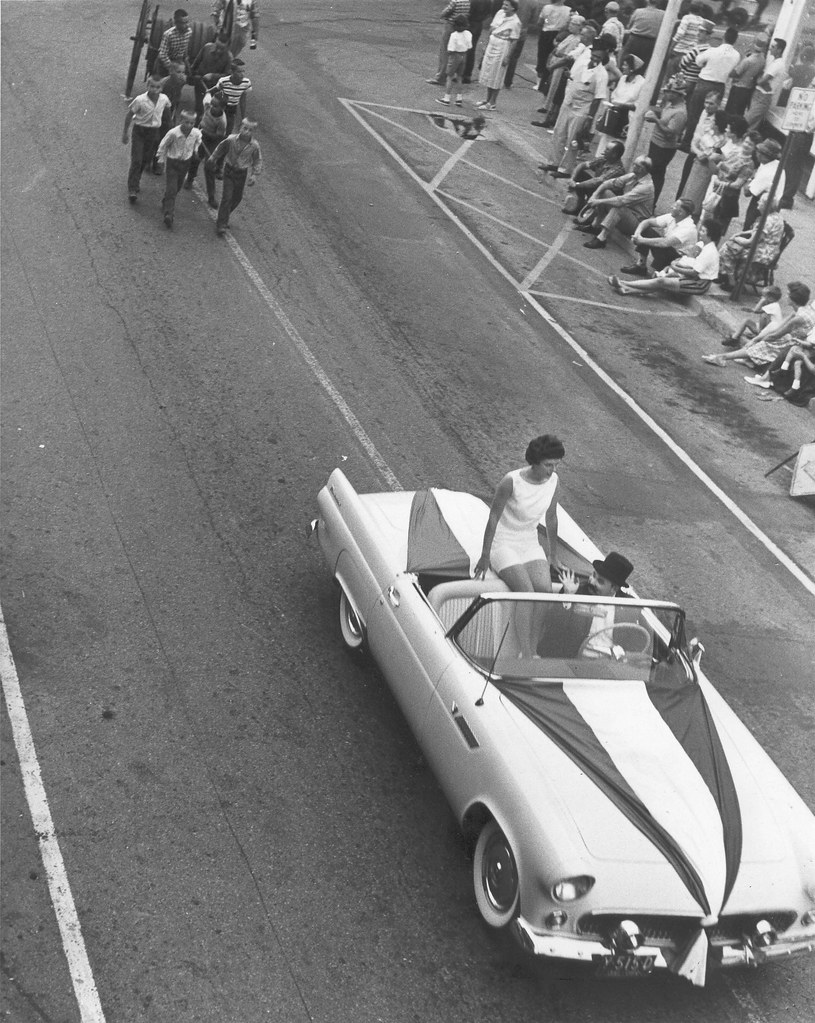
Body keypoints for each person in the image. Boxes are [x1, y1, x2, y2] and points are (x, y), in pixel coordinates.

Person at [474, 434, 564, 657]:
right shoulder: (511, 481)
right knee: (525, 591)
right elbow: (493, 517)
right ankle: (525, 651)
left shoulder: (553, 481)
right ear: (535, 462)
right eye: (548, 465)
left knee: (544, 591)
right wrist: (485, 555)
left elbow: (551, 517)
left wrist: (553, 555)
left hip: (529, 540)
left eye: (556, 465)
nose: (552, 470)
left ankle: (532, 648)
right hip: (503, 542)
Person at [542, 39, 610, 174]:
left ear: (603, 58)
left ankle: (566, 169)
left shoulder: (602, 74)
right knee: (559, 133)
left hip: (582, 108)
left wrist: (589, 118)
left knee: (572, 140)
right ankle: (553, 162)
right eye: (594, 55)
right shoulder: (582, 64)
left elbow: (597, 98)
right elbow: (572, 78)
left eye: (598, 57)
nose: (595, 59)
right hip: (569, 102)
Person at [608, 217, 723, 296]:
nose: (700, 232)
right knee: (662, 282)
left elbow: (694, 273)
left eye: (703, 231)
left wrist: (674, 266)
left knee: (661, 282)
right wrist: (675, 266)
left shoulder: (710, 251)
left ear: (710, 235)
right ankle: (627, 290)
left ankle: (623, 283)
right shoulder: (703, 244)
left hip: (699, 284)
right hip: (693, 277)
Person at [552, 552, 635, 658]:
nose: (592, 581)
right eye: (593, 575)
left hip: (611, 662)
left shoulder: (628, 605)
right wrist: (568, 596)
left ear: (614, 588)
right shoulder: (577, 592)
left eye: (600, 581)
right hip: (576, 659)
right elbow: (555, 628)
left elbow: (633, 641)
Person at [742, 282, 815, 382]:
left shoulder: (800, 316)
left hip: (807, 345)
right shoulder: (803, 311)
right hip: (806, 342)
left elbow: (776, 335)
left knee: (782, 347)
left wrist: (757, 340)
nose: (786, 296)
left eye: (788, 294)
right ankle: (755, 365)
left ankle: (765, 379)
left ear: (793, 298)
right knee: (781, 343)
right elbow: (779, 327)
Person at [579, 154, 655, 250]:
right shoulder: (633, 176)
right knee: (605, 192)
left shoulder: (646, 187)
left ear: (642, 169)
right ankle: (595, 226)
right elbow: (608, 183)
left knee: (619, 207)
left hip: (637, 222)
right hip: (628, 211)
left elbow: (621, 201)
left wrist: (598, 201)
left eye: (636, 165)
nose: (633, 166)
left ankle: (601, 238)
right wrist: (595, 195)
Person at [683, 26, 741, 145]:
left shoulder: (712, 51)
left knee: (694, 113)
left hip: (704, 83)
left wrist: (705, 65)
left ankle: (687, 142)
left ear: (724, 37)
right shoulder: (736, 55)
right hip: (720, 86)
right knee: (711, 116)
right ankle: (703, 142)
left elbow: (698, 61)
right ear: (735, 40)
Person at [713, 196, 785, 291]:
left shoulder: (767, 221)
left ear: (766, 205)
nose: (758, 202)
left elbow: (751, 242)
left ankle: (731, 281)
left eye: (760, 202)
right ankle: (724, 273)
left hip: (764, 252)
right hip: (768, 248)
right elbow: (756, 231)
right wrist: (740, 234)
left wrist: (736, 239)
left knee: (730, 249)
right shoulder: (775, 216)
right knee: (731, 245)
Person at [532, 18, 592, 128]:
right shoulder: (570, 36)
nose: (570, 25)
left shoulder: (578, 41)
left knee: (556, 92)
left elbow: (568, 57)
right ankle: (549, 113)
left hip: (562, 67)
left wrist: (553, 65)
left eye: (573, 24)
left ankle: (550, 117)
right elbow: (558, 48)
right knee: (552, 89)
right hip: (557, 62)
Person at [207, 117, 263, 236]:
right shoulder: (231, 139)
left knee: (237, 197)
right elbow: (221, 148)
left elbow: (257, 160)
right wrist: (213, 157)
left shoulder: (254, 146)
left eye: (250, 130)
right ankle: (221, 224)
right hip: (229, 170)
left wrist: (254, 175)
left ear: (254, 132)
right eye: (245, 128)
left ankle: (224, 215)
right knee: (227, 197)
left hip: (241, 173)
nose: (247, 132)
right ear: (240, 128)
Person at [122, 74, 173, 203]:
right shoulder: (140, 100)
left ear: (161, 88)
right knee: (137, 159)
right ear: (147, 86)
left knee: (145, 159)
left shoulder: (164, 99)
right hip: (140, 131)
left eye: (157, 87)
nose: (154, 90)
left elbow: (167, 113)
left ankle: (137, 179)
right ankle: (132, 188)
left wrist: (169, 130)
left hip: (153, 132)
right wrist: (125, 133)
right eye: (152, 86)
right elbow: (129, 115)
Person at [621, 198, 698, 277]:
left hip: (679, 260)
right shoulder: (673, 217)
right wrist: (637, 235)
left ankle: (657, 275)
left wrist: (641, 240)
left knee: (664, 247)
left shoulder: (688, 228)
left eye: (675, 206)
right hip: (669, 251)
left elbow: (665, 243)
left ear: (681, 212)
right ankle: (641, 266)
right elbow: (647, 222)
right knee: (647, 230)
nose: (671, 207)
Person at [702, 117, 754, 234]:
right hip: (718, 188)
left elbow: (737, 184)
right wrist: (713, 160)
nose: (746, 145)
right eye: (746, 142)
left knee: (715, 229)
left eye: (750, 144)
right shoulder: (734, 151)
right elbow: (719, 168)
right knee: (706, 220)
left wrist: (721, 175)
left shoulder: (748, 163)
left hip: (727, 197)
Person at [644, 76, 688, 204]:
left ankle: (651, 203)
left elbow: (670, 133)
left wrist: (655, 120)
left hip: (664, 148)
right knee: (650, 172)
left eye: (670, 92)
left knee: (656, 175)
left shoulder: (680, 112)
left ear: (678, 94)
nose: (666, 94)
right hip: (656, 143)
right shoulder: (670, 105)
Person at [154, 110, 202, 228]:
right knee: (172, 187)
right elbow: (163, 145)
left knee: (178, 186)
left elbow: (198, 140)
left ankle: (166, 201)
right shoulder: (173, 133)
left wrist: (195, 150)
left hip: (185, 163)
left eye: (192, 123)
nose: (189, 125)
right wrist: (160, 159)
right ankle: (169, 214)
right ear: (181, 121)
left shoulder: (195, 133)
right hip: (173, 163)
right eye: (186, 122)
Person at [476, 0, 522, 110]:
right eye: (503, 4)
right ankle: (487, 99)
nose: (504, 6)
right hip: (492, 44)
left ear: (513, 8)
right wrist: (486, 44)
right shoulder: (500, 13)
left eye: (507, 5)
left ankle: (492, 102)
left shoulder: (516, 22)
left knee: (497, 75)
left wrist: (508, 57)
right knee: (489, 73)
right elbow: (491, 29)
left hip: (502, 48)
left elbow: (514, 41)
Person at [675, 92, 722, 198]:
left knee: (694, 188)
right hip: (694, 151)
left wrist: (700, 152)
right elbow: (697, 135)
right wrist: (694, 148)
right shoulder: (704, 112)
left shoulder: (718, 120)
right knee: (684, 182)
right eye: (706, 102)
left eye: (711, 103)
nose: (707, 106)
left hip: (703, 157)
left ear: (719, 104)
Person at [712, 283, 784, 351]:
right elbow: (757, 311)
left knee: (762, 316)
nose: (761, 297)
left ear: (770, 298)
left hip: (768, 333)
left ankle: (737, 338)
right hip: (765, 329)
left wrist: (761, 301)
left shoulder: (773, 306)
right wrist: (750, 310)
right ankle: (734, 338)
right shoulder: (773, 305)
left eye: (764, 296)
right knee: (747, 320)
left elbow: (756, 310)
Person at [185, 94, 228, 207]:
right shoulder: (208, 106)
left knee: (209, 167)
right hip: (202, 136)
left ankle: (211, 197)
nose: (211, 106)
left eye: (215, 106)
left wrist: (205, 132)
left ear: (222, 108)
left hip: (212, 141)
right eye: (212, 103)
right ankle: (190, 179)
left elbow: (219, 136)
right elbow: (205, 104)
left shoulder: (222, 121)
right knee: (195, 158)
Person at [561, 139, 625, 213]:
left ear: (614, 154)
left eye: (607, 150)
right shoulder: (604, 159)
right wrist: (572, 179)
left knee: (600, 189)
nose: (604, 151)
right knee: (580, 174)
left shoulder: (618, 170)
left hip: (606, 197)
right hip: (597, 189)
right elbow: (582, 165)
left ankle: (590, 213)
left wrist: (577, 185)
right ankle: (579, 206)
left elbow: (597, 181)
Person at [427, 1, 473, 85]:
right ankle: (453, 73)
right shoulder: (467, 1)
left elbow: (445, 12)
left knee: (445, 52)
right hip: (460, 27)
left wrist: (443, 15)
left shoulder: (455, 1)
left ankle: (441, 77)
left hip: (451, 25)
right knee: (456, 52)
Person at [745, 39, 787, 130]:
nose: (770, 49)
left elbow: (761, 81)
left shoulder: (778, 64)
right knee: (752, 125)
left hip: (763, 97)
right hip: (759, 94)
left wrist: (757, 77)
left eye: (773, 47)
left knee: (746, 122)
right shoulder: (773, 62)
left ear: (779, 50)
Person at [742, 138, 784, 230]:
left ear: (763, 155)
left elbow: (747, 192)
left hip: (761, 205)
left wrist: (750, 178)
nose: (757, 153)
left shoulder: (766, 174)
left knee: (750, 228)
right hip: (773, 204)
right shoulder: (777, 165)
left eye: (759, 152)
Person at [190, 34, 233, 121]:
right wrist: (192, 72)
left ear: (227, 47)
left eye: (222, 49)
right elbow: (197, 61)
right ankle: (196, 124)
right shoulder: (207, 47)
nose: (218, 50)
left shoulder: (229, 57)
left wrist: (213, 76)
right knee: (199, 106)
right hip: (200, 82)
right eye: (217, 47)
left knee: (209, 107)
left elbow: (228, 76)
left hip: (214, 87)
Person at [726, 36, 768, 116]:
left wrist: (742, 59)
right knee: (739, 112)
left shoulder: (747, 60)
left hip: (738, 88)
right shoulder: (762, 60)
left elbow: (735, 73)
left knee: (730, 112)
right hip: (748, 89)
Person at [536, 0, 573, 91]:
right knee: (553, 57)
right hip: (559, 34)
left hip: (546, 33)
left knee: (542, 56)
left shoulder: (547, 8)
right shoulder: (569, 10)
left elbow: (541, 21)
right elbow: (568, 23)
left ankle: (539, 82)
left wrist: (548, 21)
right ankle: (547, 82)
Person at [437, 13, 473, 106]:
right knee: (459, 77)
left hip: (454, 56)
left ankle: (447, 98)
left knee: (449, 76)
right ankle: (459, 98)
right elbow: (470, 46)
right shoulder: (468, 34)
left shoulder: (454, 35)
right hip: (463, 55)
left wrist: (449, 54)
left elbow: (450, 49)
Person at [619, 0, 664, 70]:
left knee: (625, 61)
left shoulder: (638, 11)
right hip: (650, 43)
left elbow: (629, 26)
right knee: (643, 66)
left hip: (635, 40)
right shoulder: (663, 14)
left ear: (647, 1)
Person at [212, 59, 252, 133]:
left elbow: (243, 100)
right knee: (215, 128)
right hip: (220, 107)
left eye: (243, 71)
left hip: (232, 109)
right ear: (232, 72)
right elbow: (216, 93)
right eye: (239, 72)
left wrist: (243, 118)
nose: (242, 74)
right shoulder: (223, 81)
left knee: (228, 129)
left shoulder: (246, 83)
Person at [155, 9, 192, 77]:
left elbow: (185, 47)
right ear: (176, 23)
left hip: (179, 60)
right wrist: (171, 68)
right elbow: (162, 55)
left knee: (187, 77)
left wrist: (185, 61)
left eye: (187, 22)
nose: (187, 25)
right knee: (165, 81)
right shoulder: (168, 35)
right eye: (183, 23)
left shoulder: (189, 32)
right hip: (166, 60)